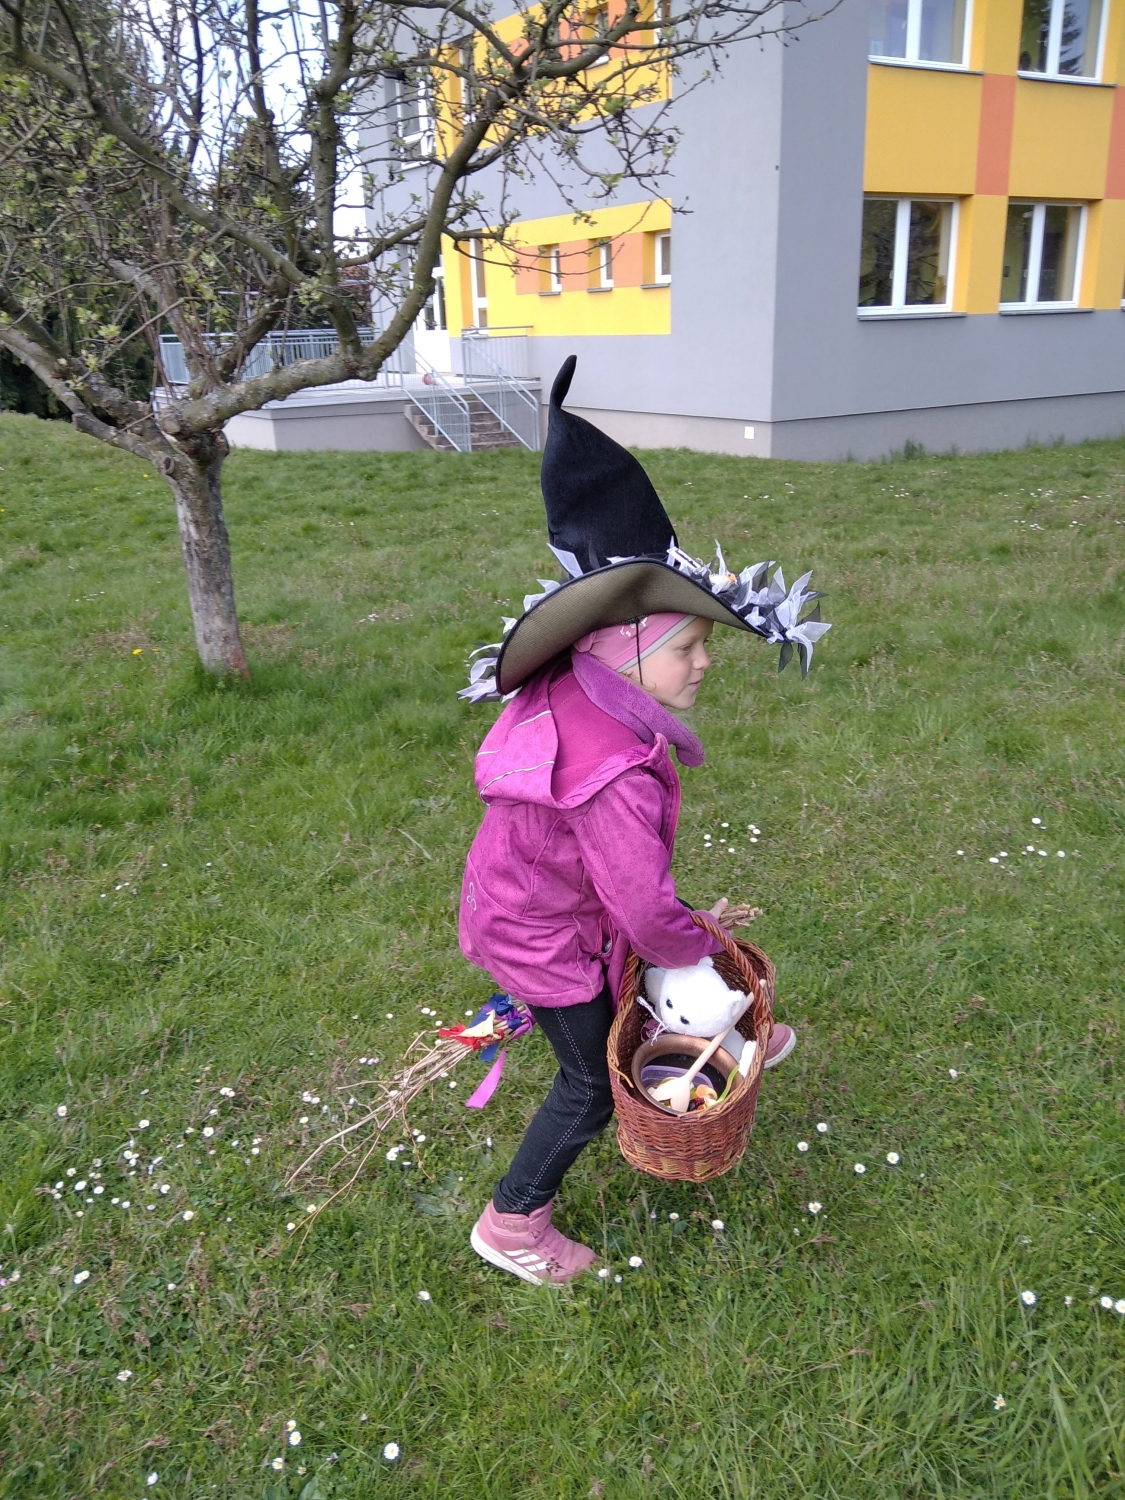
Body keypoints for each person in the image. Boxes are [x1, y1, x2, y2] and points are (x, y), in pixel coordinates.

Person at [457, 357, 830, 1285]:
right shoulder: (612, 770)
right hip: (543, 934)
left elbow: (625, 882)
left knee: (654, 941)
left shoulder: (585, 692)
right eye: (689, 645)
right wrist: (692, 948)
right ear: (623, 644)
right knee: (590, 1082)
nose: (704, 662)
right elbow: (635, 901)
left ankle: (722, 1028)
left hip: (542, 902)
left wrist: (673, 928)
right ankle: (512, 1222)